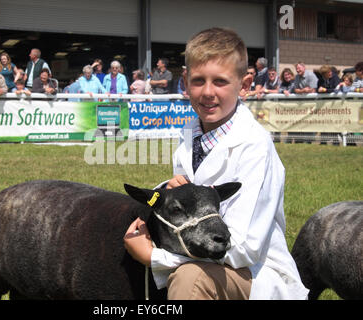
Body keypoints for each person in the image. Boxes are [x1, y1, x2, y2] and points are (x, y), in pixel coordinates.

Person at [123, 27, 309, 300]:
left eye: (220, 82)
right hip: (208, 254)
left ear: (244, 85)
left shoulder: (254, 146)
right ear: (185, 81)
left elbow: (246, 247)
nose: (208, 92)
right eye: (198, 80)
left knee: (190, 281)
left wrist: (156, 257)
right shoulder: (191, 133)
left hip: (253, 270)